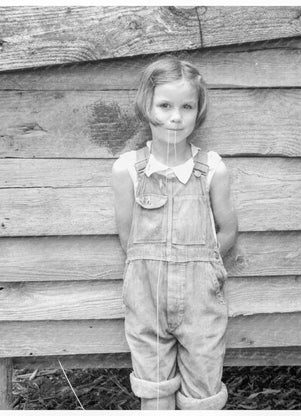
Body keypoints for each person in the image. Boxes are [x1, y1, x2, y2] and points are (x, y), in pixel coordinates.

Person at [112, 55, 237, 410]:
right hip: (146, 300)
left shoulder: (211, 169)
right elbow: (128, 239)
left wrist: (205, 271)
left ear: (199, 111)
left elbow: (227, 231)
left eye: (187, 106)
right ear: (146, 106)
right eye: (165, 105)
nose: (176, 116)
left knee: (203, 389)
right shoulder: (128, 169)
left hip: (201, 302)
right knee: (154, 390)